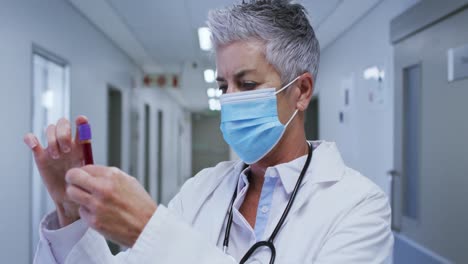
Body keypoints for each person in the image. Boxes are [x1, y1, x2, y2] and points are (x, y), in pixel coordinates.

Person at [24, 0, 393, 263]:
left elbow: (160, 248)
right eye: (222, 86)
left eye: (246, 84)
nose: (229, 99)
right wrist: (70, 214)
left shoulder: (358, 207)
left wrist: (151, 231)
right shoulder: (202, 189)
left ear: (301, 91)